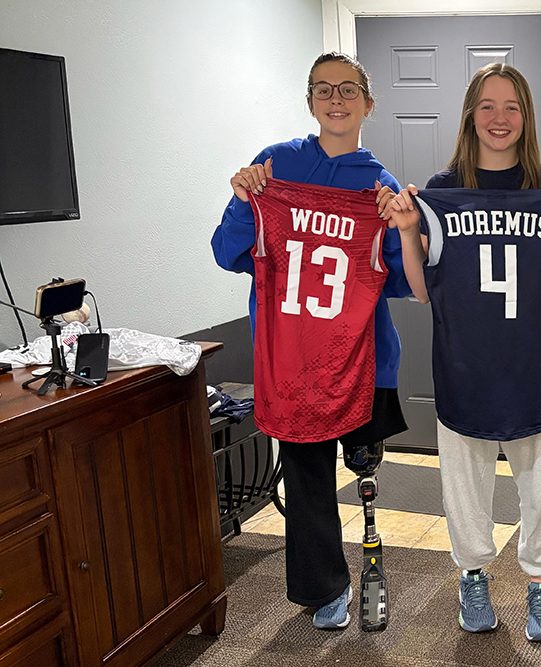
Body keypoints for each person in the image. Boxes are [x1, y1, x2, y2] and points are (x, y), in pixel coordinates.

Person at [385, 62, 541, 642]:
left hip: (531, 367)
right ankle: (473, 574)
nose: (499, 117)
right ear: (469, 115)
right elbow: (422, 287)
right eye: (487, 105)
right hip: (464, 366)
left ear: (526, 116)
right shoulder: (441, 189)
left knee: (540, 489)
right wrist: (408, 232)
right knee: (464, 485)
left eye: (511, 106)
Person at [211, 52, 411, 631]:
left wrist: (397, 225)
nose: (336, 99)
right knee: (307, 478)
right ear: (309, 102)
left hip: (363, 358)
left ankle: (372, 549)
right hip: (292, 361)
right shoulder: (274, 167)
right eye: (323, 89)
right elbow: (227, 253)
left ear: (368, 104)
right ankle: (326, 587)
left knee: (364, 466)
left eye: (349, 89)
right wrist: (245, 198)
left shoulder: (380, 184)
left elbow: (396, 280)